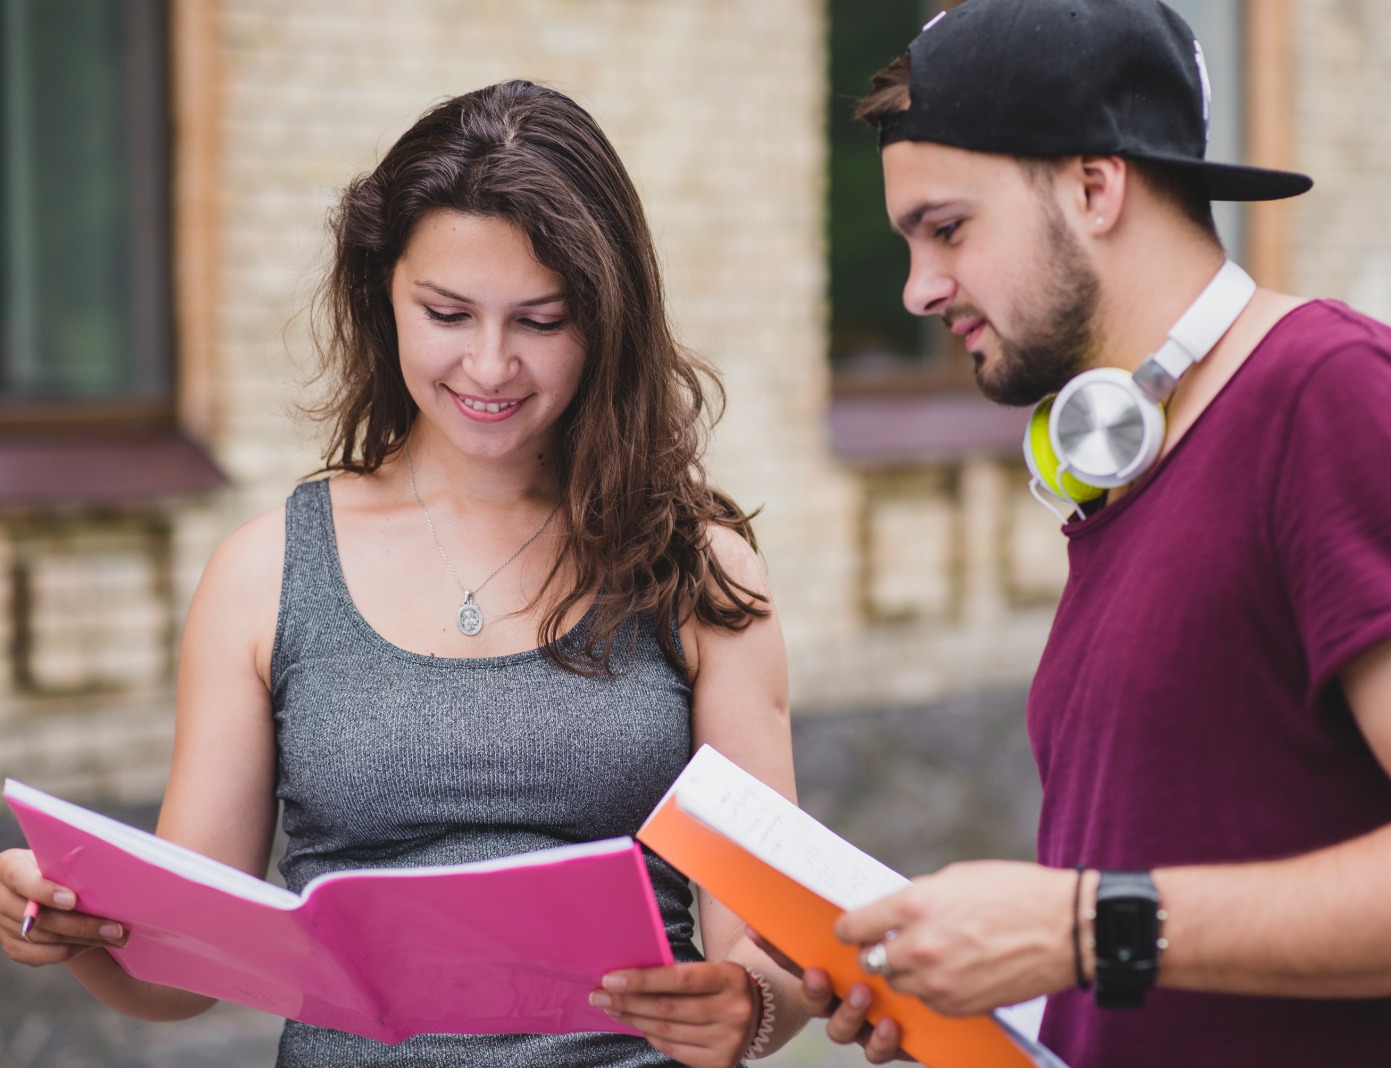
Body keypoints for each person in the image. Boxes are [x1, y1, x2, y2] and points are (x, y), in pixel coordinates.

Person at [791, 2, 1391, 1066]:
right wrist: (977, 988)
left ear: (1093, 185)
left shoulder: (1342, 404)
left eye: (946, 229)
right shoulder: (1128, 469)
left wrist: (1076, 929)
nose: (918, 287)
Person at [0, 80, 809, 1068]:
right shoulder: (265, 574)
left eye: (542, 320)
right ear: (382, 292)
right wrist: (66, 926)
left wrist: (752, 1008)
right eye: (447, 312)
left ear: (608, 321)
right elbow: (181, 977)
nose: (490, 364)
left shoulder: (701, 572)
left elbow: (766, 944)